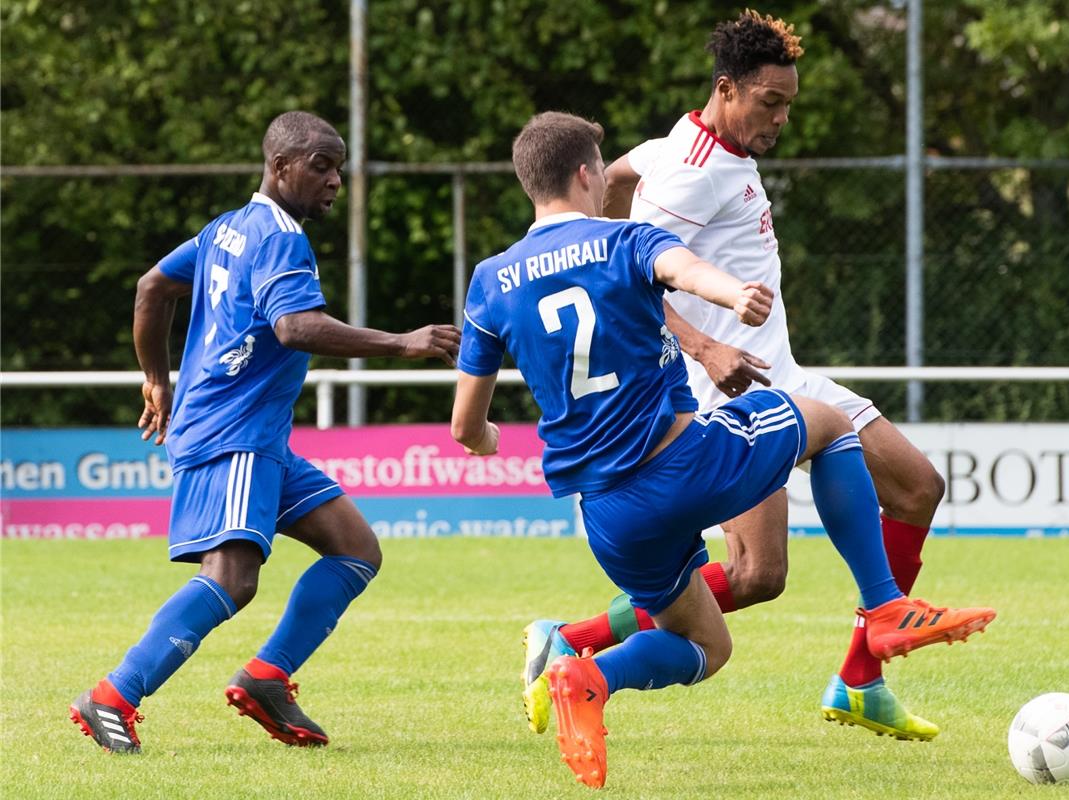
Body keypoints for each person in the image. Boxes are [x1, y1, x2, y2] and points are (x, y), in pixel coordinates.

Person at [454, 110, 993, 788]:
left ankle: (586, 673)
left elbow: (464, 427)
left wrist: (489, 439)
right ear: (586, 173)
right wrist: (735, 294)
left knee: (709, 644)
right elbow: (682, 269)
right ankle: (883, 603)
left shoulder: (490, 280)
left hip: (607, 518)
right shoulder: (625, 241)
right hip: (683, 466)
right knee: (827, 424)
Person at [522, 9, 950, 744]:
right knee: (755, 575)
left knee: (916, 487)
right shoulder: (690, 175)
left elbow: (619, 179)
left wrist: (613, 209)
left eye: (789, 103)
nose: (781, 118)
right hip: (727, 391)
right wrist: (704, 346)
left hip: (785, 373)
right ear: (727, 89)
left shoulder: (674, 149)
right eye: (770, 103)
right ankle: (573, 639)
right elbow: (618, 277)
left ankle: (861, 678)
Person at [69, 111, 461, 754]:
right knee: (232, 578)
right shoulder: (280, 237)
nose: (335, 179)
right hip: (234, 432)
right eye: (321, 166)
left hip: (256, 437)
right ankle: (113, 696)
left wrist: (157, 381)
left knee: (356, 548)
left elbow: (152, 288)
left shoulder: (228, 228)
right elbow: (295, 327)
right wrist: (403, 341)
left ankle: (268, 677)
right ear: (280, 167)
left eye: (339, 167)